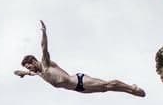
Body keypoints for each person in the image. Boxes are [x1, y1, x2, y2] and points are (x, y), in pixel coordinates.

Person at [15, 21, 146, 97]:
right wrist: (23, 73)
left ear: (32, 61)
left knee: (108, 84)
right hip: (78, 89)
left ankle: (132, 88)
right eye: (27, 68)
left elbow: (44, 47)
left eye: (28, 66)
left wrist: (44, 32)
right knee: (106, 88)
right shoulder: (37, 73)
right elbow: (28, 73)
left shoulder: (45, 64)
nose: (29, 68)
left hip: (78, 80)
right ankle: (130, 90)